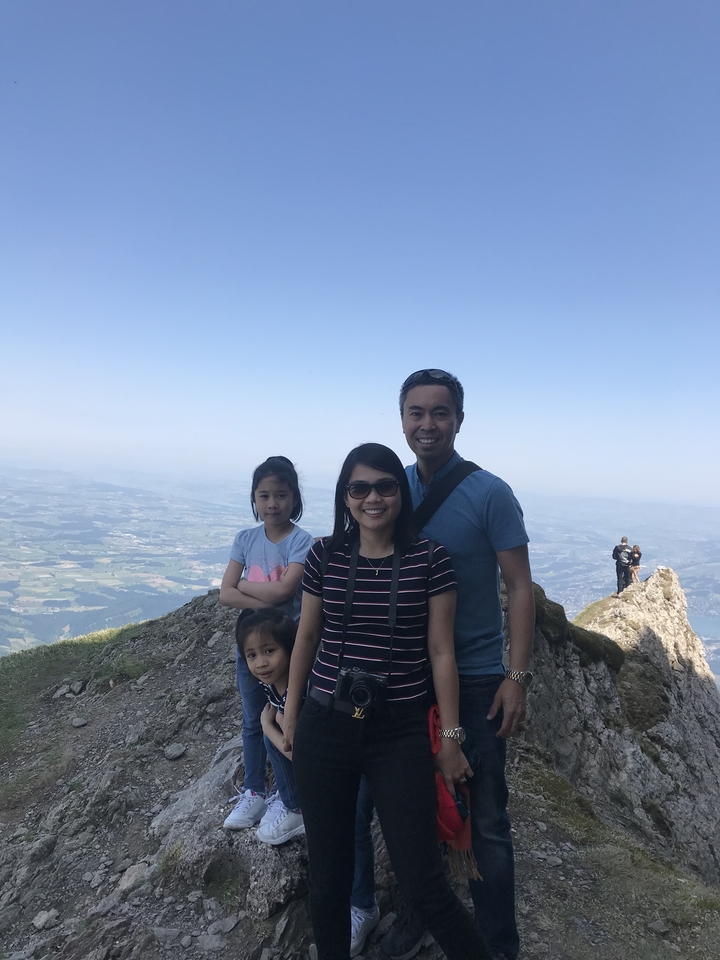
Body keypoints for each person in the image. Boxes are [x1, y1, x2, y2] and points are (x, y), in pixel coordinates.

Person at [283, 443, 492, 960]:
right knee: (328, 879)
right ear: (345, 496)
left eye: (385, 486)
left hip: (398, 730)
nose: (372, 497)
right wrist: (291, 717)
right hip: (326, 724)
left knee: (424, 882)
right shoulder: (325, 554)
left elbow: (442, 651)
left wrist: (449, 741)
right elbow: (306, 639)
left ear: (400, 493)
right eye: (359, 488)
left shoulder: (429, 558)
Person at [379, 369, 534, 960]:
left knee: (486, 819)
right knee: (412, 809)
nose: (427, 424)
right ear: (402, 420)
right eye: (415, 413)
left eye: (439, 413)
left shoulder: (490, 492)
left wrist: (515, 677)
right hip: (404, 677)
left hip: (472, 676)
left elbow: (519, 587)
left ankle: (497, 947)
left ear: (459, 420)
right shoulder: (393, 490)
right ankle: (426, 916)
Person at [219, 456, 314, 838]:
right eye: (264, 495)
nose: (272, 503)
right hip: (251, 646)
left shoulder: (301, 540)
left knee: (286, 717)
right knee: (251, 719)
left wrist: (245, 586)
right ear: (254, 499)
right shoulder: (245, 538)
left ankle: (288, 794)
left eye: (280, 494)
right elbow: (225, 594)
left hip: (286, 649)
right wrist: (263, 596)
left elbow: (285, 590)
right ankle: (255, 790)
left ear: (294, 498)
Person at [235, 608, 306, 844]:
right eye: (252, 655)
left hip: (321, 771)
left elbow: (301, 756)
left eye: (269, 651)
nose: (261, 663)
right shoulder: (273, 684)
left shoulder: (300, 692)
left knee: (270, 734)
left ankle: (296, 809)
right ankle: (287, 798)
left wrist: (267, 726)